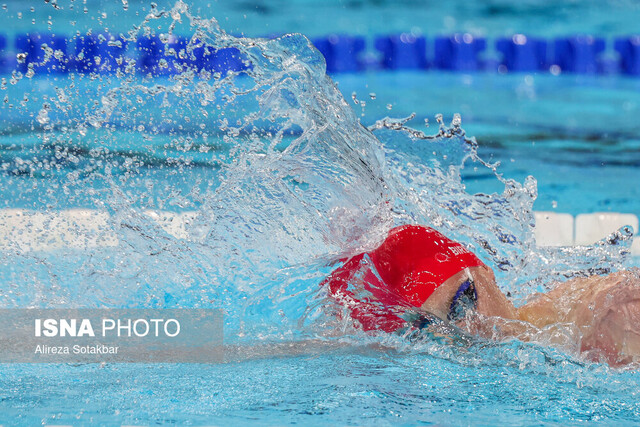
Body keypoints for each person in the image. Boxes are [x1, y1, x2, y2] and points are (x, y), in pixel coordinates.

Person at [323, 224, 640, 367]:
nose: (472, 329)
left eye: (463, 301)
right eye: (434, 330)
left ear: (486, 272)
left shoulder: (608, 312)